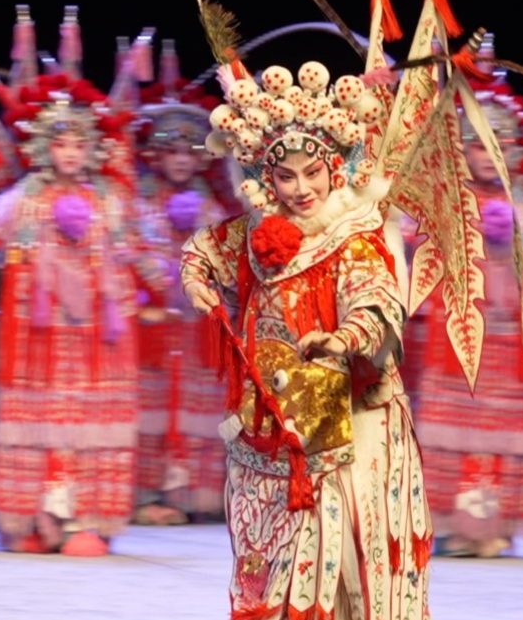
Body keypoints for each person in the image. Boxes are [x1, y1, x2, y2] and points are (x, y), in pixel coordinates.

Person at [180, 56, 431, 619]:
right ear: (265, 179)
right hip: (274, 418)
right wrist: (196, 282)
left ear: (336, 168)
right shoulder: (253, 234)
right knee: (271, 557)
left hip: (353, 420)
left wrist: (343, 339)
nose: (301, 189)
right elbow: (200, 251)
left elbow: (377, 299)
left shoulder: (353, 234)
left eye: (312, 173)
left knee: (345, 552)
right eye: (285, 177)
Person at [0, 66, 157, 556]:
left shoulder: (111, 203)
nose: (70, 153)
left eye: (79, 143)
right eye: (60, 143)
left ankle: (87, 521)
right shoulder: (21, 202)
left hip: (98, 341)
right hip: (36, 340)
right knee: (35, 425)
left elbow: (141, 254)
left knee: (89, 426)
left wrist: (171, 293)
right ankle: (33, 518)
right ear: (42, 147)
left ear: (93, 148)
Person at [413, 77, 523, 558]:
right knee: (454, 439)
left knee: (506, 441)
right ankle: (457, 527)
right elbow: (416, 255)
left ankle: (497, 526)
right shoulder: (444, 203)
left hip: (512, 347)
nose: (488, 154)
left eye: (498, 144)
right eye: (479, 145)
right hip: (460, 341)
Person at [132, 40, 234, 525]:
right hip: (149, 328)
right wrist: (154, 284)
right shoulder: (138, 203)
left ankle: (186, 493)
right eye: (170, 151)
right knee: (148, 408)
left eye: (188, 153)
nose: (179, 160)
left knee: (193, 407)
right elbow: (131, 251)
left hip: (193, 330)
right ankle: (146, 494)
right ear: (155, 155)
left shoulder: (210, 207)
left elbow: (224, 260)